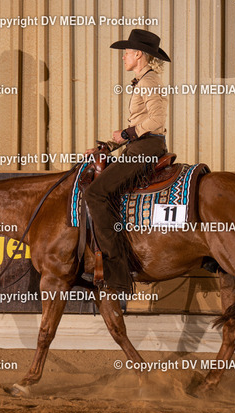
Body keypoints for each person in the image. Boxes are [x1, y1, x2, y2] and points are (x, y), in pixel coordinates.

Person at [84, 29, 171, 293]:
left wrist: (127, 133)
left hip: (146, 148)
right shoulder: (145, 80)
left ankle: (117, 270)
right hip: (140, 145)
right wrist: (109, 146)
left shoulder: (149, 81)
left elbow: (157, 120)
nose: (123, 57)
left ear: (139, 55)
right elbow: (140, 125)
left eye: (127, 53)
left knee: (95, 194)